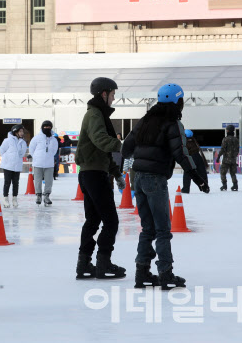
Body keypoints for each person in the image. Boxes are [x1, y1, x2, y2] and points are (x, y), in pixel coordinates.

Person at [122, 83, 209, 290]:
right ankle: (165, 274)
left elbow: (126, 148)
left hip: (139, 179)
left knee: (147, 229)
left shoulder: (144, 120)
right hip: (154, 180)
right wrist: (198, 179)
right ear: (178, 101)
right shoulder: (172, 123)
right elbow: (181, 153)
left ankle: (141, 273)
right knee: (162, 230)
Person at [75, 77, 126, 280]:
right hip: (94, 175)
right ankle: (103, 263)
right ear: (103, 94)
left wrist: (116, 173)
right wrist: (124, 145)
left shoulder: (97, 114)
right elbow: (102, 142)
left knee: (93, 220)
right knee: (110, 221)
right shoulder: (95, 114)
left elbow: (102, 152)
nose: (114, 99)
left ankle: (84, 263)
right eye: (112, 94)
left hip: (91, 173)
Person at [29, 120, 59, 206]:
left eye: (49, 127)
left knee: (49, 181)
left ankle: (46, 196)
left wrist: (49, 156)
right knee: (37, 181)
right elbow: (31, 149)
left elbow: (54, 151)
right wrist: (37, 157)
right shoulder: (36, 138)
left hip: (49, 164)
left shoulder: (54, 139)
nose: (47, 128)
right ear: (42, 127)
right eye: (45, 126)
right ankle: (38, 196)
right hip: (38, 163)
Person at [0, 124, 27, 208]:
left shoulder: (23, 142)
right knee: (7, 182)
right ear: (15, 132)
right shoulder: (7, 140)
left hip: (17, 165)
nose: (22, 133)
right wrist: (8, 158)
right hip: (8, 165)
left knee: (16, 183)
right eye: (20, 131)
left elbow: (22, 153)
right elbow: (2, 151)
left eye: (23, 131)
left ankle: (15, 198)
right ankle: (5, 198)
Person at [181, 129, 209, 195]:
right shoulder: (194, 141)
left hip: (190, 157)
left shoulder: (184, 142)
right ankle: (205, 188)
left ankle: (186, 189)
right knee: (202, 172)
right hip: (198, 157)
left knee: (187, 173)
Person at [218, 124, 239, 191]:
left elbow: (223, 149)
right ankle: (235, 185)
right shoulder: (236, 139)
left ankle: (224, 185)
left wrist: (218, 156)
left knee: (223, 172)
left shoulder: (225, 139)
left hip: (226, 160)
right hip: (233, 159)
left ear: (228, 131)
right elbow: (237, 149)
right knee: (233, 173)